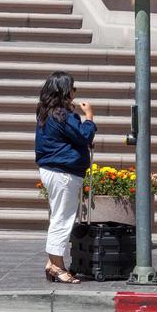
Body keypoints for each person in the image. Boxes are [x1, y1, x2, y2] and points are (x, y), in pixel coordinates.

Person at [35, 71, 96, 284]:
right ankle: (57, 266)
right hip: (64, 172)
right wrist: (89, 117)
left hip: (53, 169)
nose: (75, 92)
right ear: (64, 91)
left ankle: (53, 261)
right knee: (62, 218)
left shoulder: (46, 111)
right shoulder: (63, 114)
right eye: (72, 88)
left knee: (58, 216)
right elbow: (84, 136)